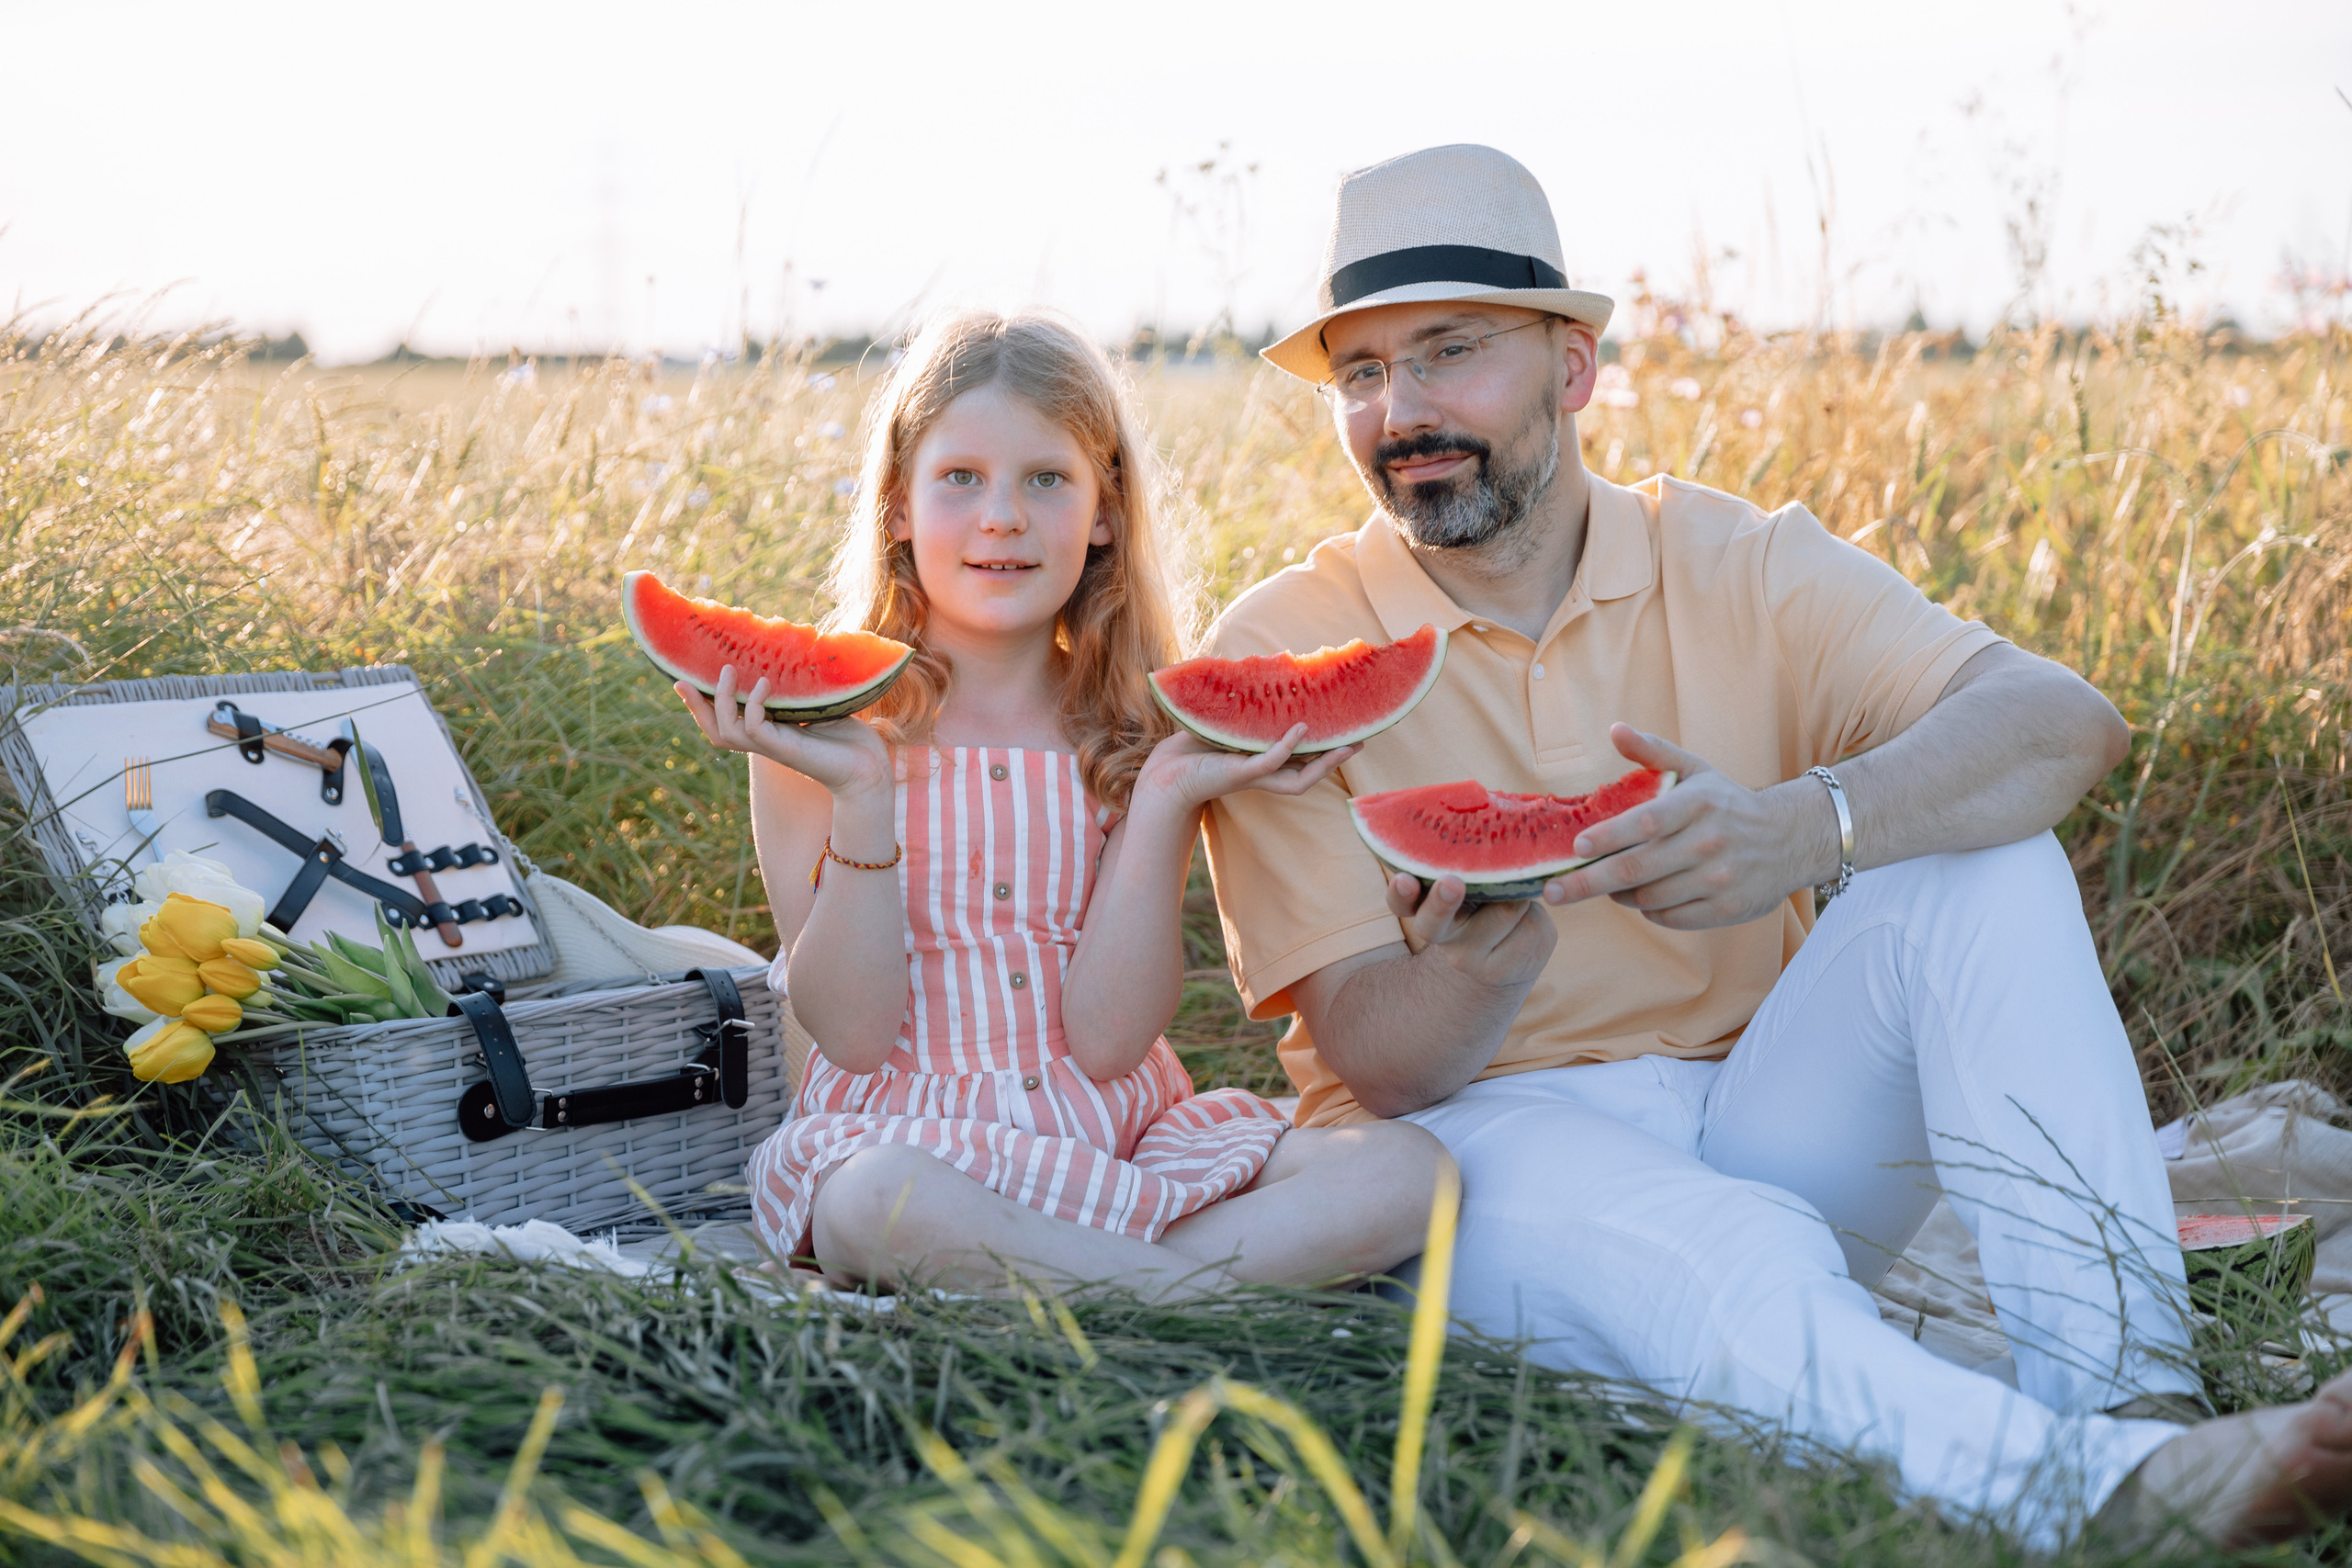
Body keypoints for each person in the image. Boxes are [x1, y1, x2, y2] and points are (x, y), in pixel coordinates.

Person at [1200, 142, 2352, 1548]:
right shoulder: (1276, 646)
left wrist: (1809, 826)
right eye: (1363, 372)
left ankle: (2136, 1402)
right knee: (1738, 1255)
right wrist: (1494, 952)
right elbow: (1376, 1060)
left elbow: (2061, 721)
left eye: (1450, 351)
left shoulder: (1735, 560)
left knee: (1981, 864)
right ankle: (2094, 1498)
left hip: (1763, 1106)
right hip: (1476, 1147)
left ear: (1573, 366)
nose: (1402, 409)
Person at [682, 309, 1451, 1303]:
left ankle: (1109, 1292)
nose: (1002, 515)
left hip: (1118, 1143)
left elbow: (1107, 1041)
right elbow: (856, 1035)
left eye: (1046, 478)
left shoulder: (1135, 730)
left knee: (1407, 1170)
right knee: (873, 1202)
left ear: (1103, 514)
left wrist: (1167, 794)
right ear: (898, 510)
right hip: (913, 1155)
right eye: (960, 478)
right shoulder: (814, 742)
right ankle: (1190, 1299)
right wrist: (866, 797)